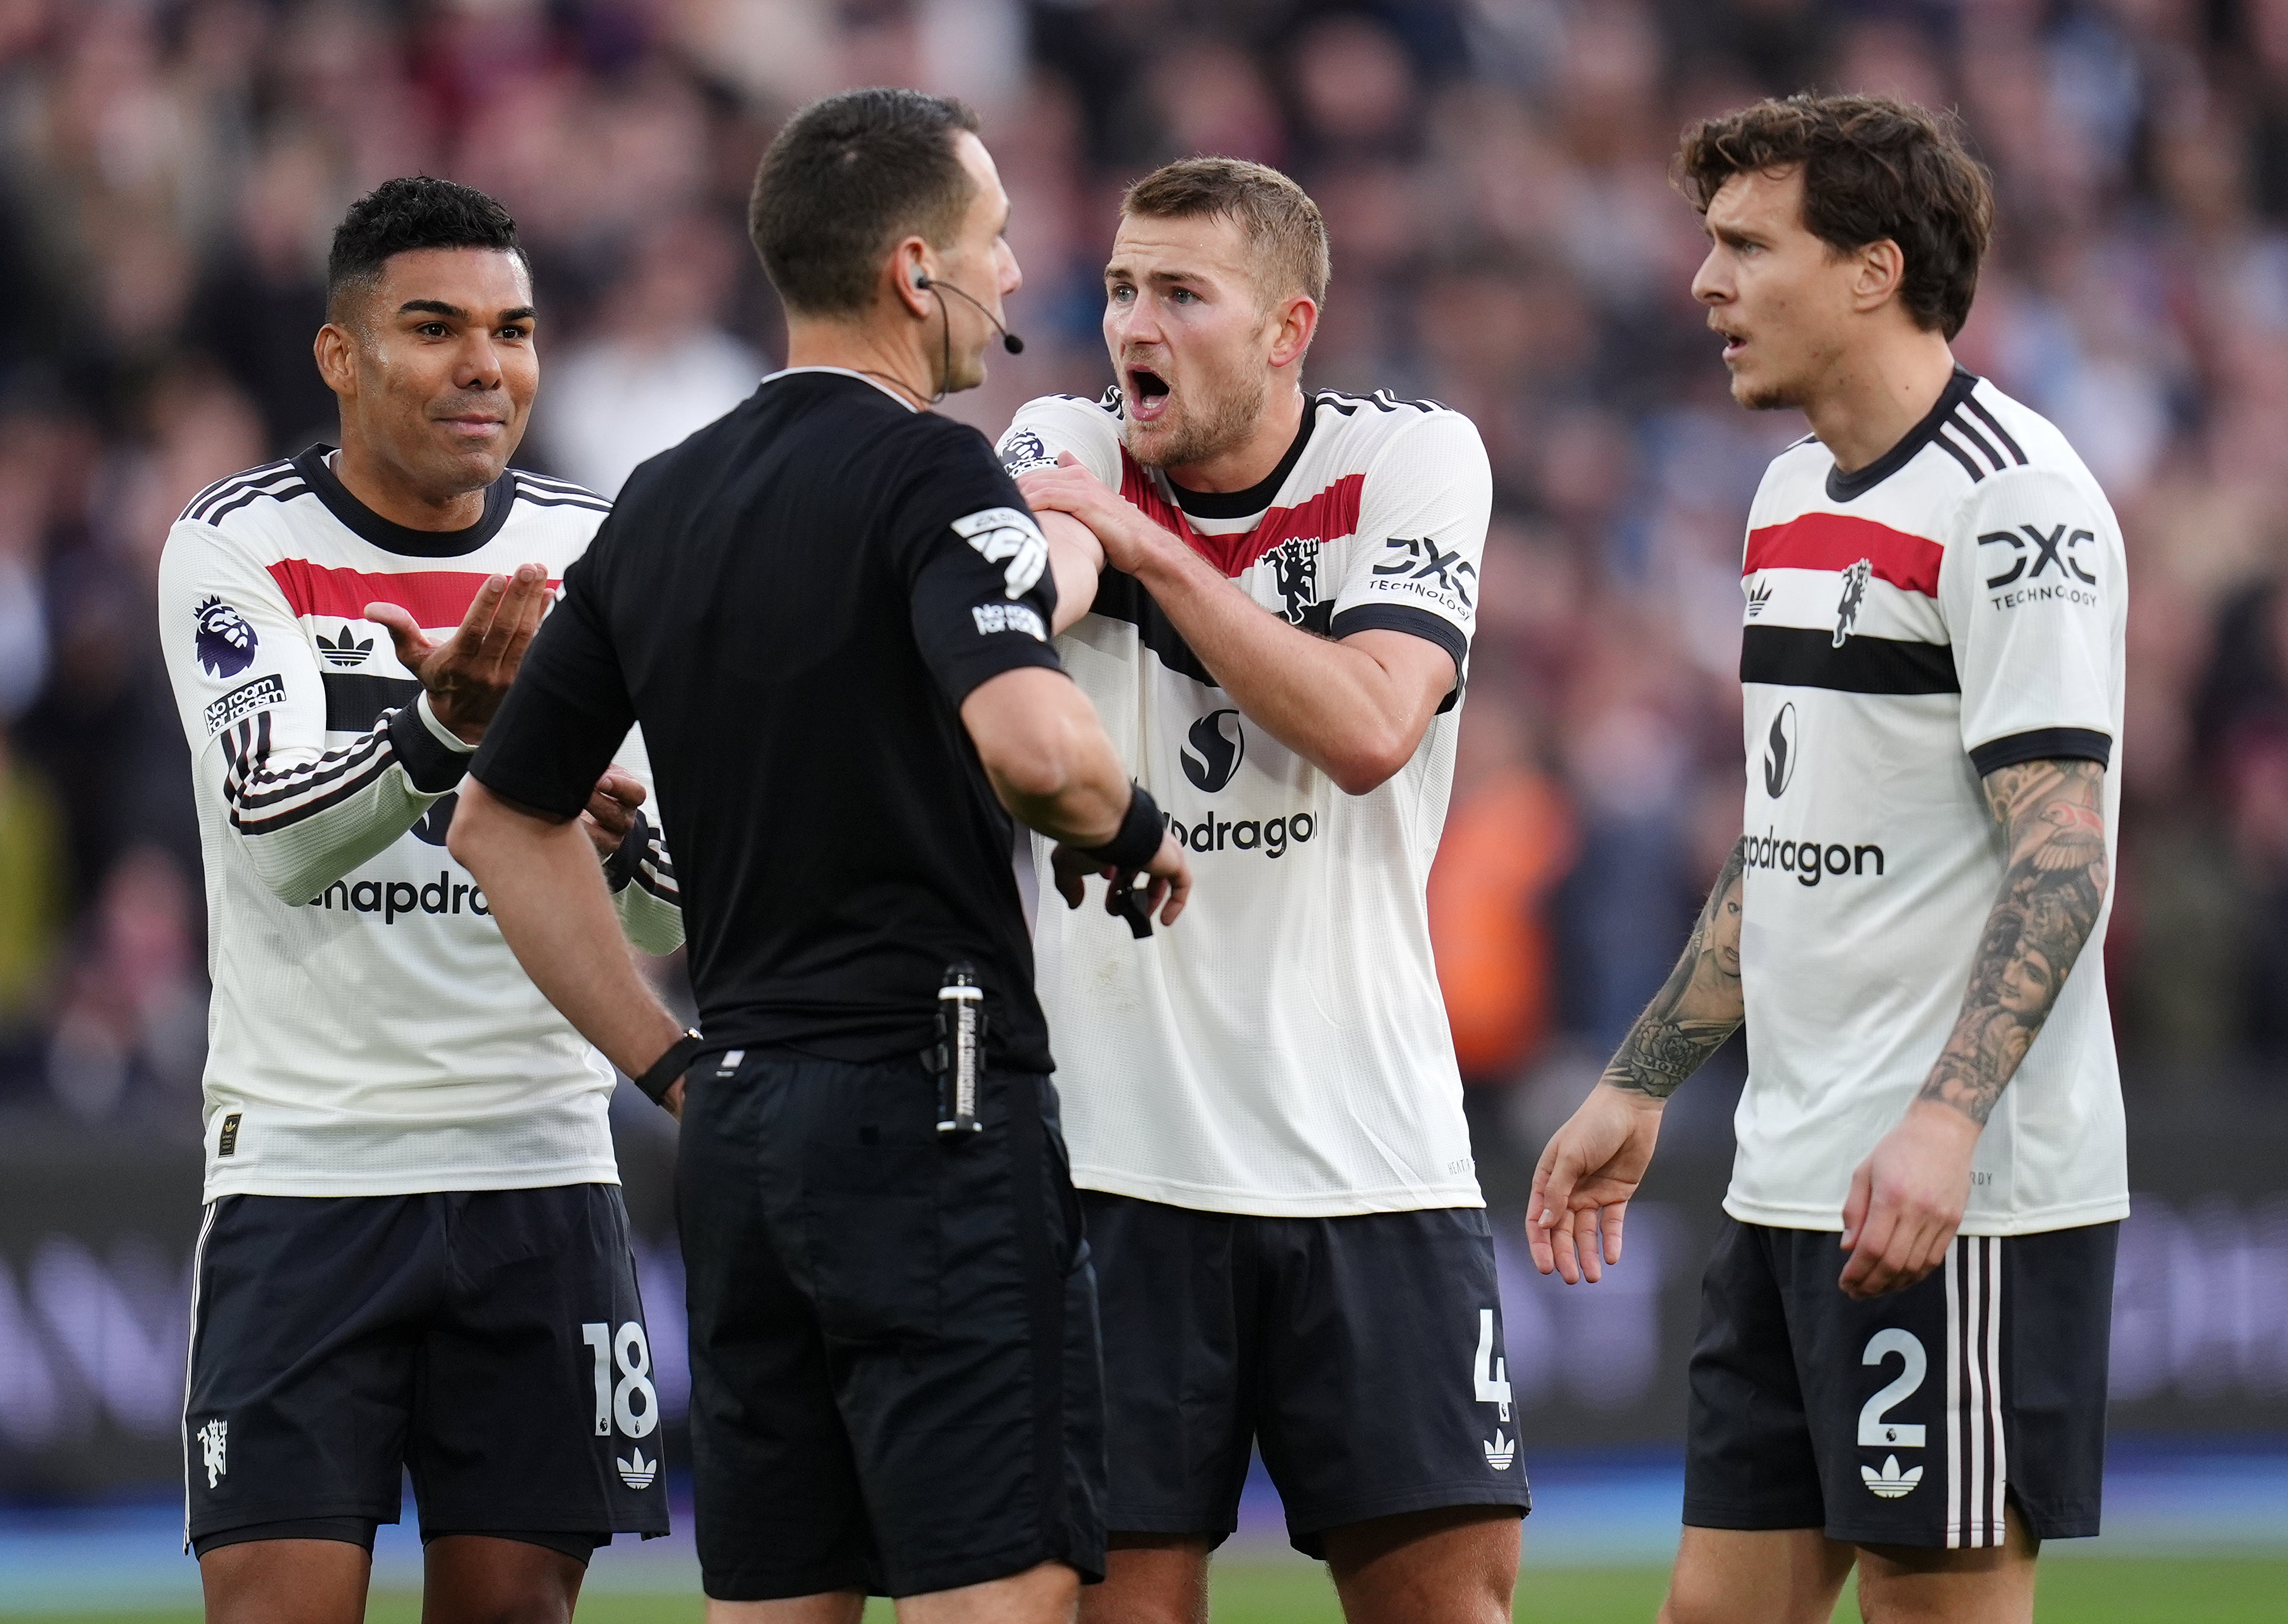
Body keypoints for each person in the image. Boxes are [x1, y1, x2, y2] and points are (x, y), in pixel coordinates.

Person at [447, 88, 1190, 1624]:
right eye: (994, 242)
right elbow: (1034, 746)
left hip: (740, 1131)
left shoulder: (659, 502)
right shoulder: (936, 475)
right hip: (935, 1103)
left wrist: (672, 1065)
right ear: (915, 270)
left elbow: (497, 820)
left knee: (781, 1596)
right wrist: (1130, 821)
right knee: (1000, 1591)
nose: (1015, 271)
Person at [1528, 95, 2126, 1624]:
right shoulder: (1789, 495)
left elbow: (2064, 855)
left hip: (1957, 1191)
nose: (1702, 282)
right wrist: (1641, 1077)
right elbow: (1786, 841)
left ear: (1872, 268)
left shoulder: (2016, 501)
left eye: (1744, 245)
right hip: (1791, 1178)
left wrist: (1942, 1123)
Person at [994, 158, 1524, 1624]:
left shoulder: (1414, 460)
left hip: (1372, 1153)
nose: (1131, 327)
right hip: (1117, 1165)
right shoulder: (1066, 440)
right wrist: (1041, 573)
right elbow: (1041, 582)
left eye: (1179, 294)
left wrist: (1156, 552)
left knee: (1450, 1609)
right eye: (1116, 290)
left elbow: (1365, 728)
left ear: (1288, 329)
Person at [157, 176, 680, 1624]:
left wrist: (618, 833)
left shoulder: (599, 550)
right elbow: (275, 833)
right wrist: (451, 736)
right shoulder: (237, 546)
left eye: (512, 331)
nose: (485, 367)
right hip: (308, 1172)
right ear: (341, 357)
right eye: (436, 327)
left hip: (538, 1167)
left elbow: (667, 912)